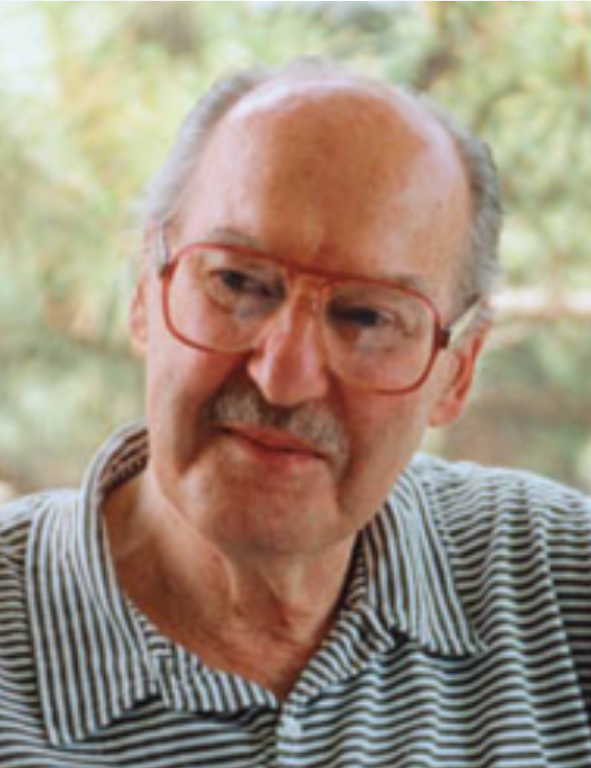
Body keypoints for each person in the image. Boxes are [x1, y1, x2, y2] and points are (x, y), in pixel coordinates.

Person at [1, 58, 590, 768]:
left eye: (366, 317)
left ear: (455, 373)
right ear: (143, 294)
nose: (283, 379)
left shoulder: (556, 581)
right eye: (238, 281)